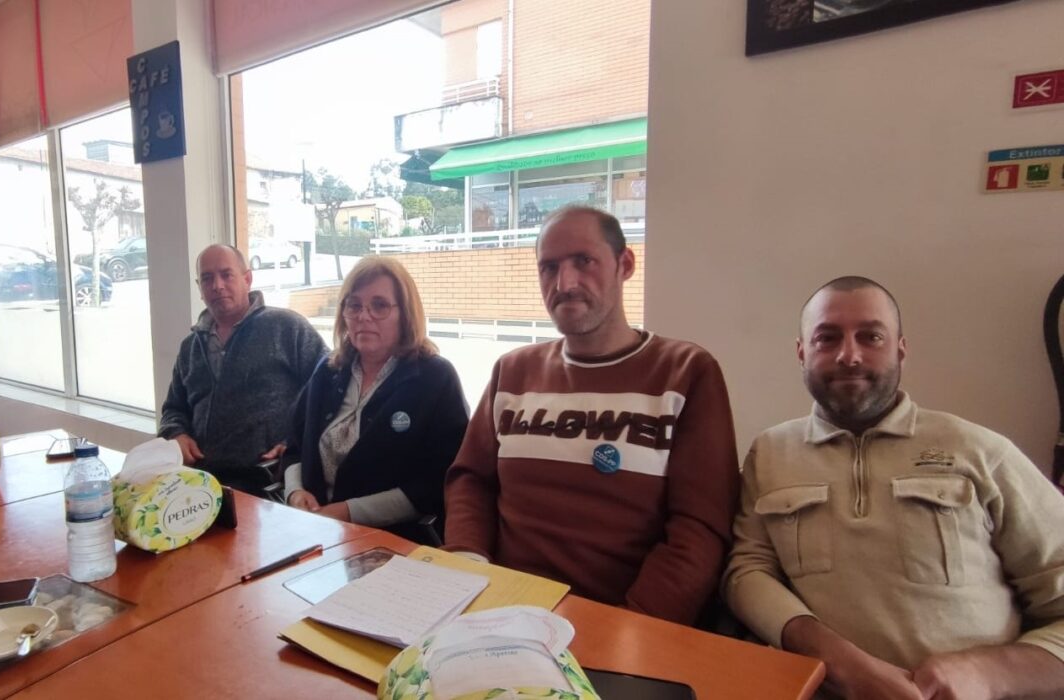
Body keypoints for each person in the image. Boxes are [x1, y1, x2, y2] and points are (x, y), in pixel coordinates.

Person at [724, 276, 1064, 700]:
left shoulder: (980, 451)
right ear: (801, 352)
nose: (849, 355)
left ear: (901, 349)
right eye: (827, 338)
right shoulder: (770, 454)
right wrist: (838, 662)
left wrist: (985, 674)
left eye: (871, 337)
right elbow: (747, 571)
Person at [443, 205, 740, 625]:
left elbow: (700, 528)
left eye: (583, 261)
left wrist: (627, 627)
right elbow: (470, 479)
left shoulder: (687, 372)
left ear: (625, 265)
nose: (564, 284)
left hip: (622, 625)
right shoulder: (512, 370)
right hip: (503, 613)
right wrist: (469, 565)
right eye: (549, 267)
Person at [281, 257, 468, 539]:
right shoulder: (328, 370)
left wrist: (349, 512)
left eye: (379, 305)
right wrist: (295, 493)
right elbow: (294, 447)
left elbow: (437, 482)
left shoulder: (435, 379)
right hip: (315, 530)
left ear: (405, 314)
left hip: (393, 540)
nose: (363, 316)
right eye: (354, 305)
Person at [158, 244, 327, 493]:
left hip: (267, 482)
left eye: (226, 275)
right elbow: (173, 408)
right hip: (200, 483)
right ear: (199, 287)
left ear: (247, 279)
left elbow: (328, 389)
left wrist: (296, 442)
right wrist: (176, 434)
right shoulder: (190, 347)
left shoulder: (286, 328)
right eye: (207, 278)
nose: (217, 285)